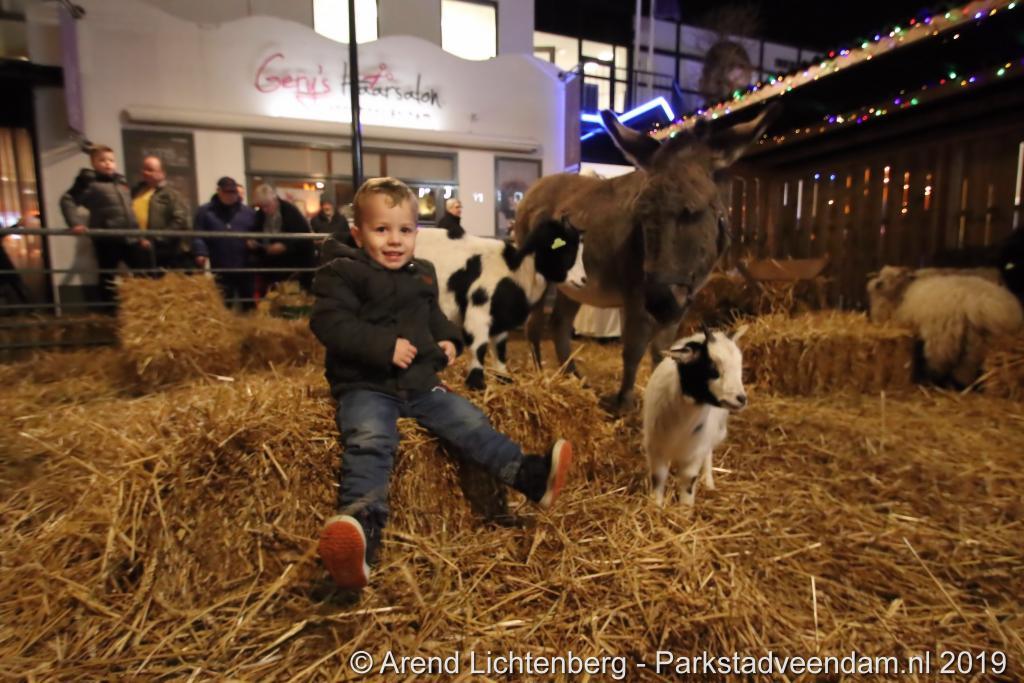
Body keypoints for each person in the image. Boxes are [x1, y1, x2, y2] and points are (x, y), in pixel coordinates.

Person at [309, 176, 573, 591]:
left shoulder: (422, 273)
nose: (395, 240)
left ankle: (530, 477)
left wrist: (449, 339)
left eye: (405, 230)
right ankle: (361, 535)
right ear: (358, 235)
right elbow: (330, 324)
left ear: (417, 233)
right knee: (371, 441)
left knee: (470, 421)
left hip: (420, 383)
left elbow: (434, 317)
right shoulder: (342, 274)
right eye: (381, 230)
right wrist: (383, 347)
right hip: (366, 386)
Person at [60, 144, 146, 307]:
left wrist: (139, 235)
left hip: (130, 237)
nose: (108, 163)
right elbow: (68, 200)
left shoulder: (121, 183)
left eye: (111, 160)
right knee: (107, 275)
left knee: (142, 272)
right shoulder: (88, 182)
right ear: (93, 163)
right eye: (102, 160)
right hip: (107, 239)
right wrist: (75, 223)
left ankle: (141, 307)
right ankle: (108, 310)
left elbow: (130, 210)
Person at [192, 177, 260, 310]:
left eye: (233, 192)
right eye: (227, 192)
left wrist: (254, 243)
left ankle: (249, 321)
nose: (231, 196)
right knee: (223, 301)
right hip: (220, 264)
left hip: (245, 264)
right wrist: (201, 252)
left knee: (248, 301)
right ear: (219, 191)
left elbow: (257, 232)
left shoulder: (248, 213)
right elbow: (198, 234)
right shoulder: (205, 212)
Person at [131, 155, 192, 271]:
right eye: (144, 169)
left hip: (162, 251)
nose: (145, 172)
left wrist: (157, 239)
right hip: (138, 248)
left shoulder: (172, 195)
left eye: (150, 169)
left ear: (162, 173)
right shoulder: (135, 192)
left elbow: (180, 221)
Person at [251, 184, 316, 291]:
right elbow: (255, 231)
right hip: (272, 267)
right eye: (261, 206)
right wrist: (252, 241)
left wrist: (285, 246)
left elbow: (302, 237)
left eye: (267, 205)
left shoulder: (290, 211)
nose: (264, 210)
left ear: (274, 199)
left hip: (293, 266)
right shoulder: (260, 215)